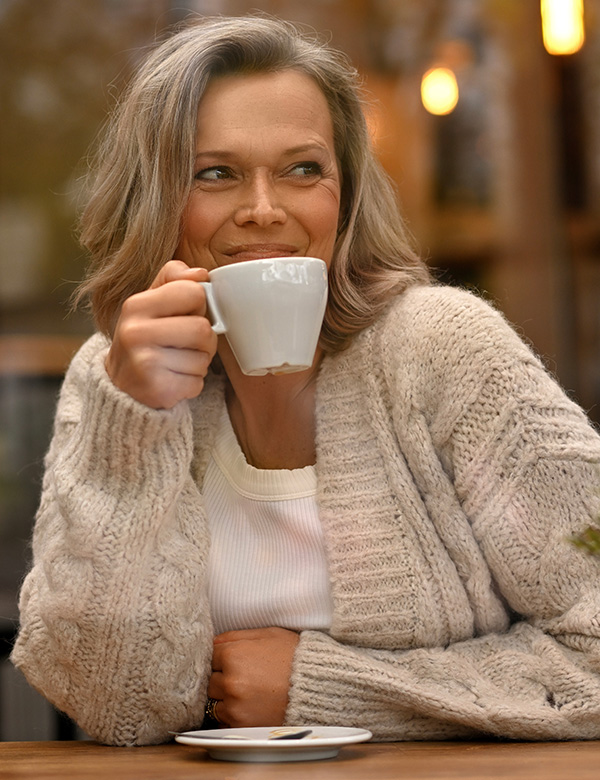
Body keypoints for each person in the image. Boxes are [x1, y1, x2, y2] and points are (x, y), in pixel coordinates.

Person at [11, 15, 600, 747]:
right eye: (215, 173)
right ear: (158, 201)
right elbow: (111, 707)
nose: (265, 208)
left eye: (302, 169)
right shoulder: (111, 382)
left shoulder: (447, 354)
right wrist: (128, 419)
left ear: (344, 197)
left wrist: (323, 688)